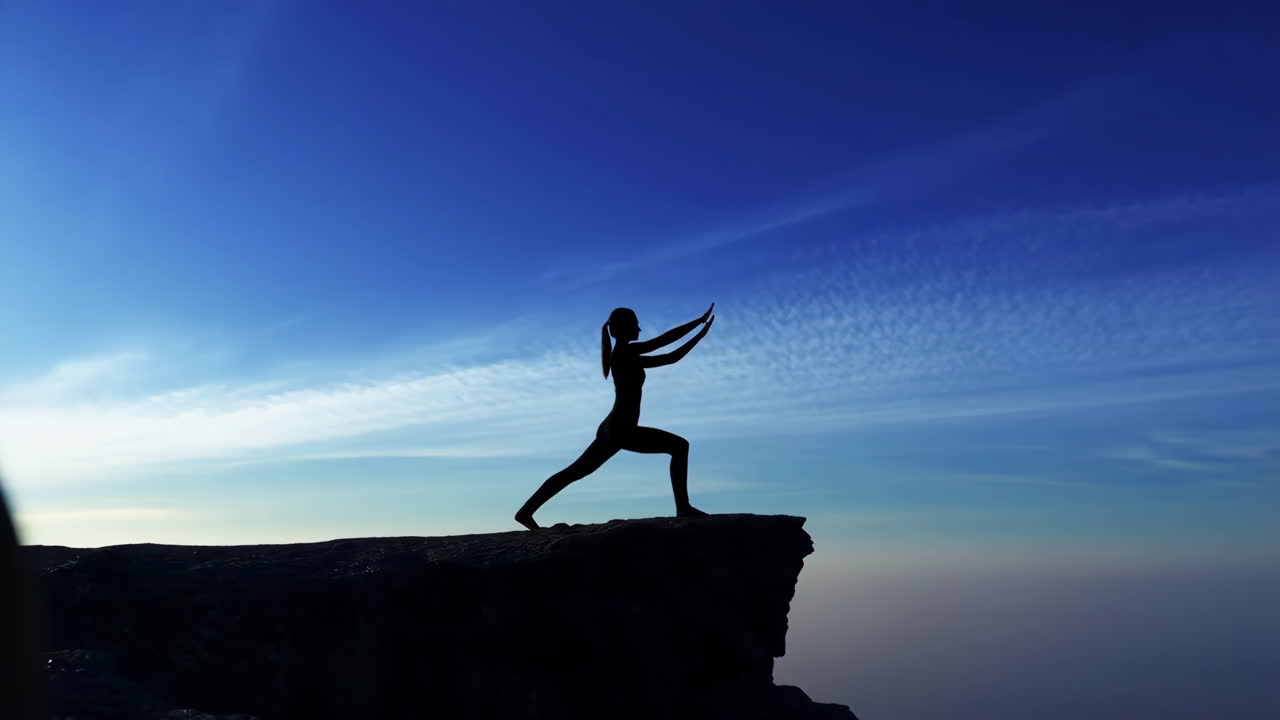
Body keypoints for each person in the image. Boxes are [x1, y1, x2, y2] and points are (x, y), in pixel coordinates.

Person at [515, 304, 716, 530]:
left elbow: (666, 350)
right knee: (680, 447)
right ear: (627, 328)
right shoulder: (625, 353)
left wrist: (698, 325)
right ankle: (683, 507)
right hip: (622, 428)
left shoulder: (623, 353)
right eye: (636, 325)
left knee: (575, 472)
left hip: (613, 426)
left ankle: (525, 512)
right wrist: (699, 328)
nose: (639, 330)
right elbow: (668, 353)